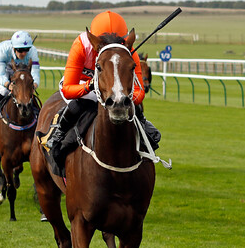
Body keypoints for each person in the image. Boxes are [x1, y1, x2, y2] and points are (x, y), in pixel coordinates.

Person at [40, 11, 158, 166]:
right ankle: (57, 135)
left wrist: (127, 97)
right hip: (82, 85)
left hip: (114, 89)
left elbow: (139, 91)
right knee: (79, 103)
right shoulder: (81, 45)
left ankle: (144, 129)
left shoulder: (127, 50)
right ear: (94, 40)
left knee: (133, 106)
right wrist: (90, 85)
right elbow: (68, 89)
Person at [0, 31, 40, 138]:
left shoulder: (32, 51)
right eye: (20, 50)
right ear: (14, 48)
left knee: (27, 95)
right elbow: (0, 74)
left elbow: (35, 72)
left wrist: (34, 85)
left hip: (23, 72)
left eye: (26, 50)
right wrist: (7, 84)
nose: (24, 53)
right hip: (5, 69)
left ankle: (39, 118)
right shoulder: (2, 50)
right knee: (3, 91)